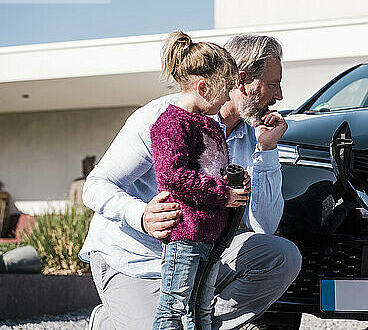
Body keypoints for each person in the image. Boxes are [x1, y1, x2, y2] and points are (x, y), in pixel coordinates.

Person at [80, 34, 302, 330]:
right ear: (242, 80)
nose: (279, 96)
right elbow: (95, 185)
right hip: (134, 258)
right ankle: (110, 320)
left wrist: (267, 150)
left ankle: (196, 320)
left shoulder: (252, 136)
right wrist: (141, 216)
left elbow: (263, 226)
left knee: (280, 256)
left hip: (199, 251)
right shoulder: (162, 120)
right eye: (273, 84)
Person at [150, 31, 249, 330]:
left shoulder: (211, 126)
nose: (227, 100)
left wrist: (234, 180)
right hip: (186, 234)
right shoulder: (171, 124)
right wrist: (223, 194)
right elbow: (173, 175)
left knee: (201, 308)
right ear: (203, 88)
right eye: (224, 92)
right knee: (174, 308)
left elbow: (211, 169)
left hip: (212, 234)